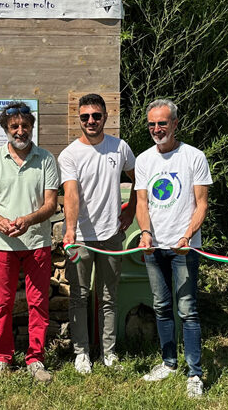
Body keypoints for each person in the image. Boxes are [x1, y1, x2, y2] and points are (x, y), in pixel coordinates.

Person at [135, 99, 212, 398]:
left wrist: (188, 236)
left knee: (187, 310)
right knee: (161, 306)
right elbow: (142, 202)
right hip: (153, 247)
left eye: (162, 123)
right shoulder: (143, 160)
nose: (157, 129)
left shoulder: (193, 157)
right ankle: (168, 363)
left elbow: (202, 203)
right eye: (152, 124)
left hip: (184, 248)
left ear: (176, 124)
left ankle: (194, 373)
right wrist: (145, 233)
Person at [0, 102, 59, 383]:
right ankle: (3, 358)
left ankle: (35, 359)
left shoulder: (46, 159)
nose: (20, 131)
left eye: (25, 125)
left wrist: (29, 219)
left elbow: (51, 204)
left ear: (32, 127)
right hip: (3, 244)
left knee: (38, 303)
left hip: (37, 241)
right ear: (6, 129)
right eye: (14, 126)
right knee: (2, 303)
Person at [59, 93, 136, 374]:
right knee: (79, 295)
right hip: (80, 237)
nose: (90, 121)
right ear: (78, 119)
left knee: (108, 296)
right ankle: (81, 353)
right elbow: (71, 194)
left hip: (112, 234)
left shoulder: (120, 147)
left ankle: (109, 352)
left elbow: (138, 179)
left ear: (105, 117)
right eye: (85, 117)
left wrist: (132, 210)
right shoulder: (70, 154)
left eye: (96, 116)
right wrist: (70, 231)